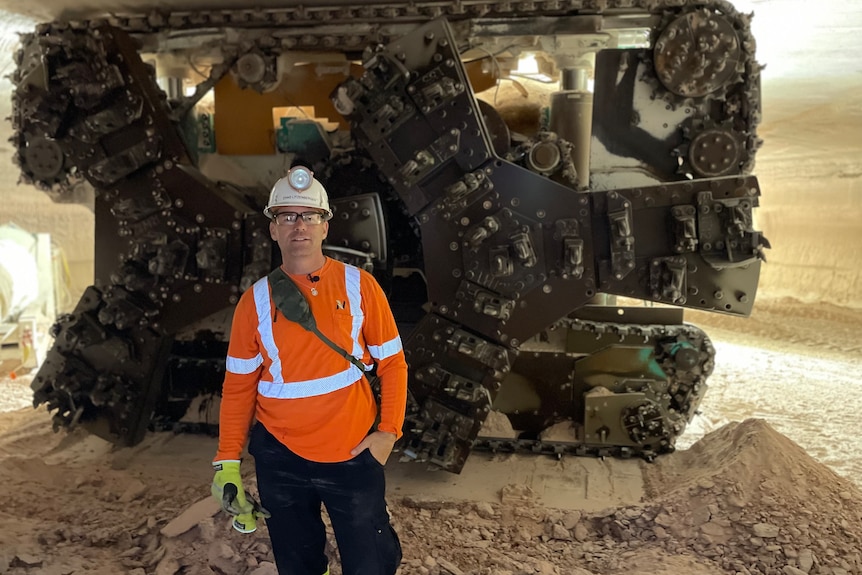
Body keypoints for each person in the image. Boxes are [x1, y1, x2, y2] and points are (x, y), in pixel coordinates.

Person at [211, 165, 408, 575]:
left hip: (352, 453)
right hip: (280, 459)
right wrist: (227, 461)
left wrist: (387, 433)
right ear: (273, 229)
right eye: (286, 216)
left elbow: (392, 364)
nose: (298, 225)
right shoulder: (256, 301)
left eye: (309, 215)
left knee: (370, 562)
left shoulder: (360, 286)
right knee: (297, 562)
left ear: (324, 226)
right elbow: (238, 387)